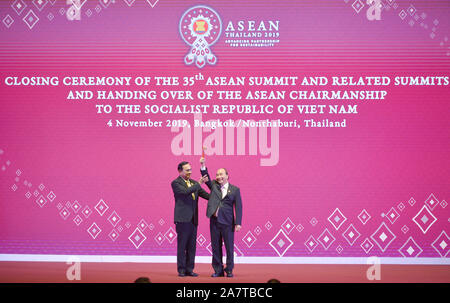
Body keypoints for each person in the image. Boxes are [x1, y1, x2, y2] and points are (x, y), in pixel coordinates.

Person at [200, 157, 242, 277]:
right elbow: (206, 176)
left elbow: (238, 207)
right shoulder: (213, 185)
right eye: (217, 174)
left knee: (229, 247)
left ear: (227, 176)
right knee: (215, 247)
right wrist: (203, 165)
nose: (219, 176)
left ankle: (229, 269)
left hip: (228, 222)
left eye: (221, 174)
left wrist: (238, 223)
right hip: (214, 221)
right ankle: (218, 270)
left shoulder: (235, 190)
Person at [171, 161, 209, 277]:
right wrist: (199, 183)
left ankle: (190, 269)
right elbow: (185, 192)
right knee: (182, 246)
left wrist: (219, 197)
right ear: (180, 171)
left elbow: (206, 195)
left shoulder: (193, 183)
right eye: (187, 170)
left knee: (192, 246)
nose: (190, 172)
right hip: (182, 219)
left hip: (193, 220)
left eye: (190, 170)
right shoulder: (176, 183)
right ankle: (181, 270)